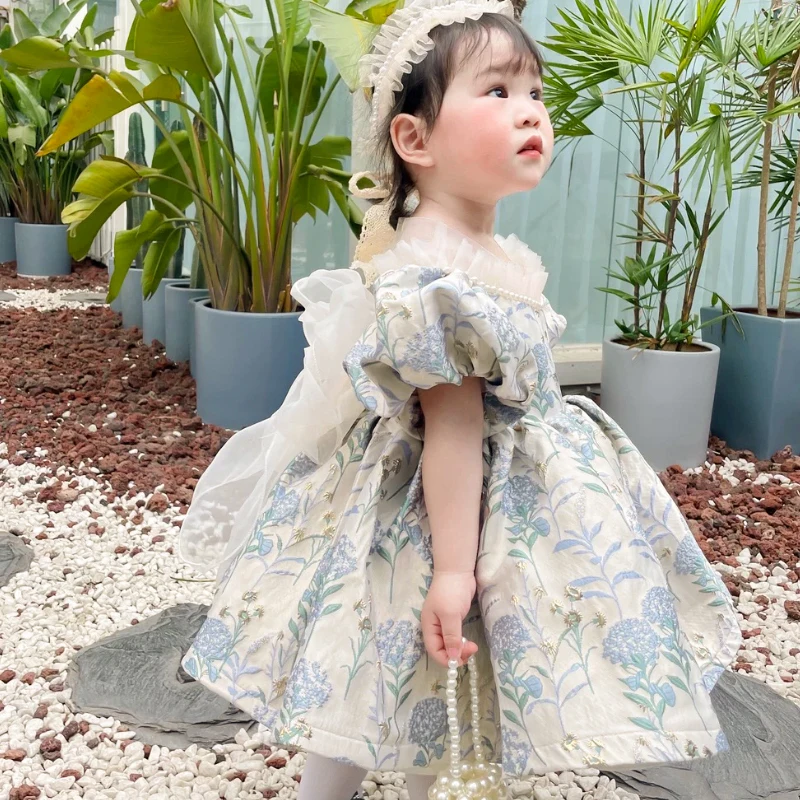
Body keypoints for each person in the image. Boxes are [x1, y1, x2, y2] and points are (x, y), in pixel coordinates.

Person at [177, 1, 742, 798]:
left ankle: (407, 775)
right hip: (441, 507)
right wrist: (453, 568)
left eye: (535, 93)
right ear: (415, 140)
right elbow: (452, 427)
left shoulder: (486, 254)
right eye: (498, 92)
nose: (531, 112)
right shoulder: (440, 281)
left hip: (495, 491)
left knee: (409, 657)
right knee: (402, 636)